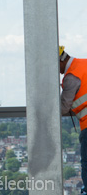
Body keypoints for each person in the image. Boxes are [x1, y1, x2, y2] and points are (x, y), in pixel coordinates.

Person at [60, 45, 87, 195]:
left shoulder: (71, 77)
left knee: (86, 163)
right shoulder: (84, 63)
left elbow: (63, 108)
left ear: (60, 61)